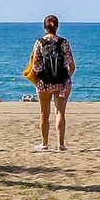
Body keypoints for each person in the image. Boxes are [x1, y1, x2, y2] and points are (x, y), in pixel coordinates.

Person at [28, 15, 75, 151]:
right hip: (62, 83)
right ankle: (60, 144)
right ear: (57, 27)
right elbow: (72, 67)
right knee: (60, 112)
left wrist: (39, 79)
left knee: (44, 113)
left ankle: (45, 143)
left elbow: (35, 66)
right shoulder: (64, 42)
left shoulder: (40, 43)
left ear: (44, 28)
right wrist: (66, 78)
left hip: (44, 83)